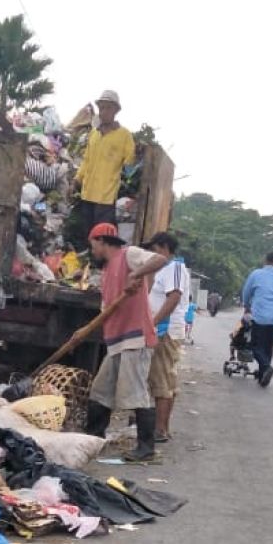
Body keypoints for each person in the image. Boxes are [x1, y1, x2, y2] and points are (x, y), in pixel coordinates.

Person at [82, 222, 169, 460]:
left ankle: (146, 448)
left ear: (101, 241)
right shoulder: (107, 271)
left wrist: (137, 273)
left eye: (93, 245)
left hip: (135, 339)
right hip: (116, 341)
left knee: (136, 393)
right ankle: (94, 436)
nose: (93, 251)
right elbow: (107, 310)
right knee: (101, 391)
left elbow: (160, 260)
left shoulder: (129, 255)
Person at [145, 232, 191, 443]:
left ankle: (160, 429)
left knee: (161, 380)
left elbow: (174, 297)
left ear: (163, 248)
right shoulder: (169, 269)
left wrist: (153, 323)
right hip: (166, 329)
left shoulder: (173, 268)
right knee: (166, 380)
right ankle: (161, 427)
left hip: (166, 330)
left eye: (153, 250)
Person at [74, 91, 136, 232]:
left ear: (116, 111)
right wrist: (77, 178)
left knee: (102, 235)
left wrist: (130, 178)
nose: (104, 112)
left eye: (108, 108)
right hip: (87, 193)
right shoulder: (94, 134)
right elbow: (86, 160)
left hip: (106, 197)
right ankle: (89, 253)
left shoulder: (124, 135)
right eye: (101, 108)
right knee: (88, 233)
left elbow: (129, 164)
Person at [240, 252, 273, 387]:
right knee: (269, 347)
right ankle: (263, 375)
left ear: (265, 260)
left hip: (260, 316)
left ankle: (266, 367)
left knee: (255, 346)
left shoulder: (256, 274)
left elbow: (246, 293)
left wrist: (246, 306)